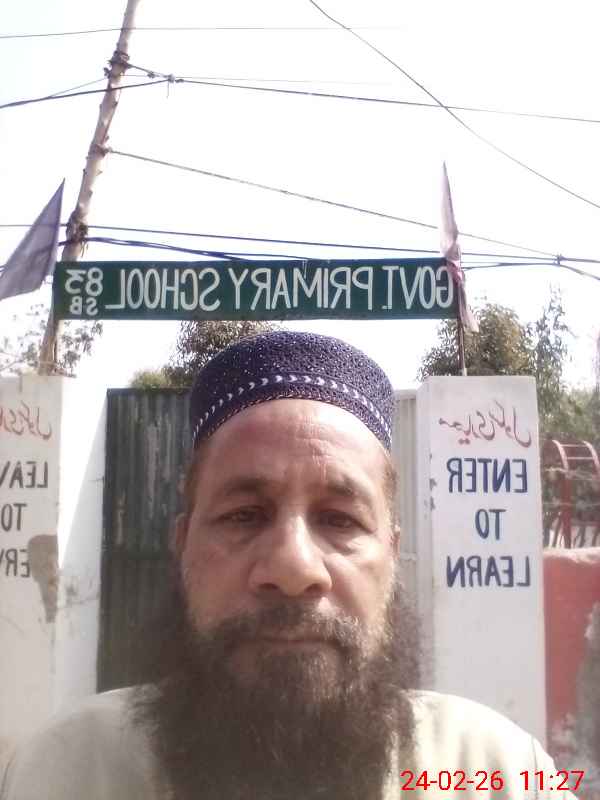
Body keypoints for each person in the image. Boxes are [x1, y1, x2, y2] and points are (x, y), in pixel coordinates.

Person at [1, 331, 578, 800]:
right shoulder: (60, 773)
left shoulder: (503, 774)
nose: (294, 568)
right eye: (243, 515)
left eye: (340, 520)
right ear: (182, 546)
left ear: (392, 556)